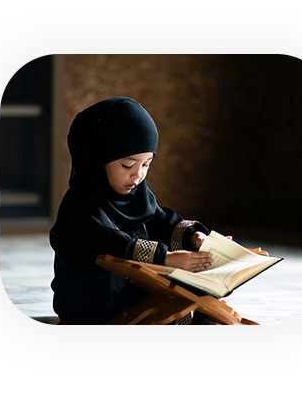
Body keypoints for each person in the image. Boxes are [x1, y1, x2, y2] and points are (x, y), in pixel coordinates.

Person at [50, 97, 218, 324]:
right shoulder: (79, 208)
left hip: (137, 282)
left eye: (146, 164)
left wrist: (193, 237)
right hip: (86, 292)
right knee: (114, 280)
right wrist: (164, 259)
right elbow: (111, 243)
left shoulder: (138, 197)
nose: (138, 175)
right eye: (128, 165)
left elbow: (163, 221)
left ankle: (181, 311)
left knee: (193, 274)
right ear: (96, 160)